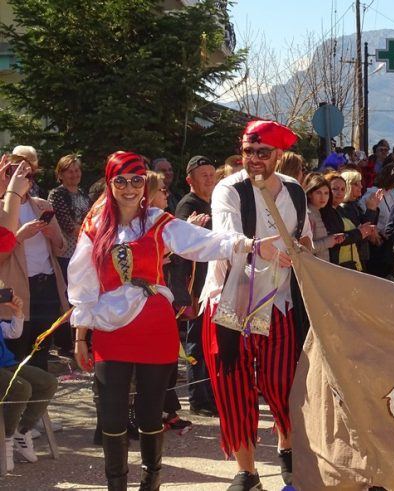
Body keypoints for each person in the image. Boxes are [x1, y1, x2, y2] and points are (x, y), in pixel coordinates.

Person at [68, 151, 285, 490]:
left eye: (137, 180)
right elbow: (83, 285)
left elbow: (203, 242)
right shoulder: (95, 226)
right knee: (111, 416)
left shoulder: (158, 221)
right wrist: (81, 337)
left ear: (145, 183)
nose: (129, 188)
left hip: (155, 327)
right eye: (121, 180)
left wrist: (250, 245)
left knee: (150, 413)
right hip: (110, 329)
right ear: (110, 184)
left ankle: (150, 482)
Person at [199, 120, 313, 490]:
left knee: (283, 384)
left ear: (278, 154)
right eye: (248, 151)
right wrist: (259, 249)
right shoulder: (229, 189)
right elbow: (227, 238)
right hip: (231, 301)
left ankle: (287, 447)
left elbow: (304, 239)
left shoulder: (294, 190)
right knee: (233, 388)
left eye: (263, 152)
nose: (254, 159)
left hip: (279, 301)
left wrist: (302, 254)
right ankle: (246, 471)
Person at [0, 156, 68, 369]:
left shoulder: (42, 205)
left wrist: (54, 236)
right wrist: (19, 236)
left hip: (46, 286)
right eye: (14, 172)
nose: (23, 178)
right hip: (18, 290)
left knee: (41, 351)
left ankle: (40, 389)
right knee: (17, 353)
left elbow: (62, 248)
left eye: (28, 174)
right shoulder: (3, 210)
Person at [169, 155, 218, 418]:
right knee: (196, 342)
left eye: (212, 175)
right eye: (204, 176)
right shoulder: (188, 206)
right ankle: (198, 398)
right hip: (195, 286)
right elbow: (180, 247)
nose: (210, 180)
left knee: (209, 341)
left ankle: (210, 393)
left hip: (212, 282)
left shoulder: (213, 202)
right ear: (190, 180)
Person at [1, 261, 58, 470]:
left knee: (47, 382)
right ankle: (5, 438)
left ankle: (21, 430)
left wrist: (17, 312)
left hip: (7, 364)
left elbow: (12, 333)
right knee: (20, 388)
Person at [48, 154, 92, 277]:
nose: (75, 174)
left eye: (77, 170)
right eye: (70, 172)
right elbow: (68, 225)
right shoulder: (56, 194)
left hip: (83, 250)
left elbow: (91, 219)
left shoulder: (82, 193)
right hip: (66, 253)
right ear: (60, 175)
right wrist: (92, 235)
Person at [321, 172, 373, 271]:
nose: (339, 193)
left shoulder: (340, 210)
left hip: (351, 263)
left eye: (342, 189)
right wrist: (359, 232)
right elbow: (336, 238)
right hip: (336, 266)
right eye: (335, 189)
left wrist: (363, 230)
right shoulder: (325, 212)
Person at [339, 169, 380, 271]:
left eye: (360, 183)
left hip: (360, 255)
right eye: (356, 184)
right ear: (348, 186)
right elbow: (361, 233)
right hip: (351, 259)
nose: (361, 186)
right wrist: (371, 209)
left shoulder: (354, 205)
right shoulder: (344, 207)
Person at [304, 173, 344, 262]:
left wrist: (333, 239)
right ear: (310, 194)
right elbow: (304, 248)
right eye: (318, 193)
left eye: (326, 193)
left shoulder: (318, 212)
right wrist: (328, 242)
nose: (323, 197)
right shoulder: (308, 214)